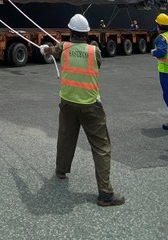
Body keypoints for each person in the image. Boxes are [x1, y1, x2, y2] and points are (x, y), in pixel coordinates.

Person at [42, 14, 125, 207]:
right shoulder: (94, 51)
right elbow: (97, 64)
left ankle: (61, 170)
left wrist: (44, 49)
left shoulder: (63, 47)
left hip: (68, 102)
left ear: (70, 32)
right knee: (101, 146)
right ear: (87, 33)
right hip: (90, 105)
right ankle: (105, 194)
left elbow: (49, 51)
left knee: (66, 137)